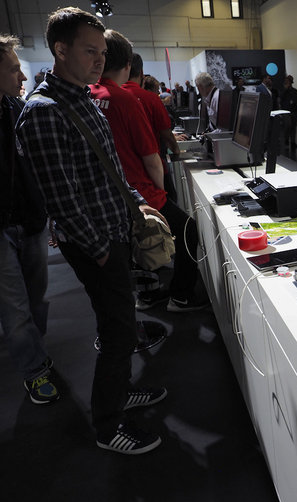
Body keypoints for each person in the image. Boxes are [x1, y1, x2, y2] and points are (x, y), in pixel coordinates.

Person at [15, 7, 167, 454]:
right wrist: (101, 249)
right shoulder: (43, 112)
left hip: (113, 230)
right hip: (96, 242)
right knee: (119, 330)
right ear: (60, 50)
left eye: (102, 52)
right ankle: (108, 424)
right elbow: (61, 198)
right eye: (89, 51)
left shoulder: (81, 97)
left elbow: (108, 171)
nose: (99, 59)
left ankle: (119, 393)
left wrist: (136, 205)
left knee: (120, 323)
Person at [91, 29, 204, 313]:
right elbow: (152, 158)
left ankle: (150, 293)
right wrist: (161, 194)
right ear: (128, 64)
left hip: (106, 195)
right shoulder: (125, 99)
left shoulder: (89, 95)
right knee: (188, 228)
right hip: (139, 191)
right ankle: (181, 296)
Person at [0, 33, 59, 405]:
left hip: (32, 220)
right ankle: (35, 370)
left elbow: (38, 168)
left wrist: (48, 213)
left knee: (35, 299)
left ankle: (34, 354)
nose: (23, 78)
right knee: (15, 307)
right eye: (13, 70)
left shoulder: (16, 110)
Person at [122, 53, 181, 201]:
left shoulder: (112, 97)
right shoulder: (150, 99)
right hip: (153, 170)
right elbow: (166, 135)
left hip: (125, 175)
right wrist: (176, 151)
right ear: (141, 73)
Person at [280, 74, 297, 149]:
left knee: (293, 127)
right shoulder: (283, 91)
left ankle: (293, 142)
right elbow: (281, 99)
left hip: (294, 111)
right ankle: (286, 139)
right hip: (286, 111)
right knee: (288, 125)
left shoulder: (295, 91)